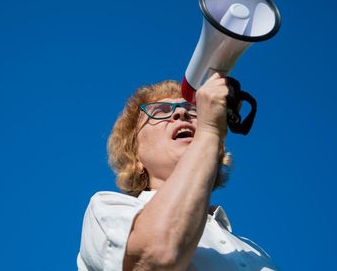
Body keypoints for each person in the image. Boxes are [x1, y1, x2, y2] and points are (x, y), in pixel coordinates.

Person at [77, 73, 278, 270]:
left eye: (193, 110)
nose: (180, 113)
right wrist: (208, 131)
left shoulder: (254, 251)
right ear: (136, 157)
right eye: (160, 111)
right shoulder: (107, 210)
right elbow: (158, 254)